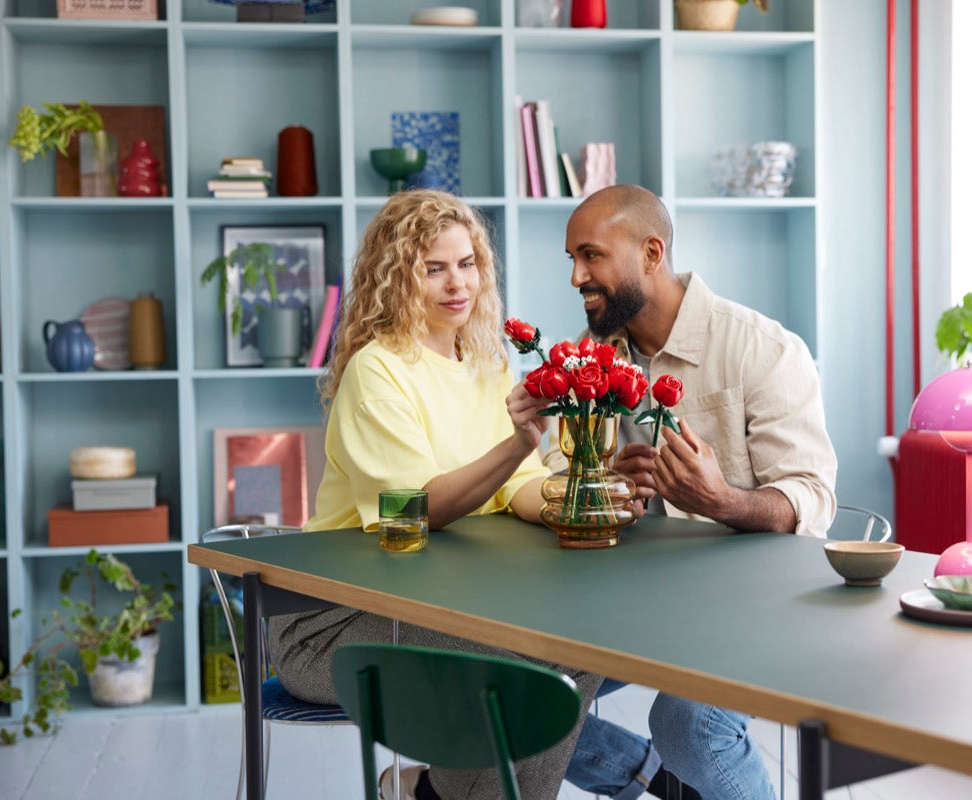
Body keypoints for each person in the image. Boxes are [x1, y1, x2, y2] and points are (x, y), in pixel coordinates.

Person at [267, 189, 603, 800]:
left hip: (430, 603)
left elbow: (521, 487)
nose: (459, 284)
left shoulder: (487, 363)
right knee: (531, 660)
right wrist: (518, 445)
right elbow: (417, 510)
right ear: (397, 276)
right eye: (434, 268)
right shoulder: (378, 371)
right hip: (331, 623)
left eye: (468, 263)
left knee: (584, 644)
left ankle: (434, 794)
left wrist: (582, 502)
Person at [558, 184, 838, 800]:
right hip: (635, 600)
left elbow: (812, 498)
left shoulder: (763, 350)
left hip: (758, 604)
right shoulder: (591, 358)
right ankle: (654, 779)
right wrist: (603, 485)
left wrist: (724, 502)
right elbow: (561, 475)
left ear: (652, 254)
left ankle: (684, 774)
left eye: (591, 256)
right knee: (522, 695)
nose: (577, 276)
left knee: (688, 722)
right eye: (573, 260)